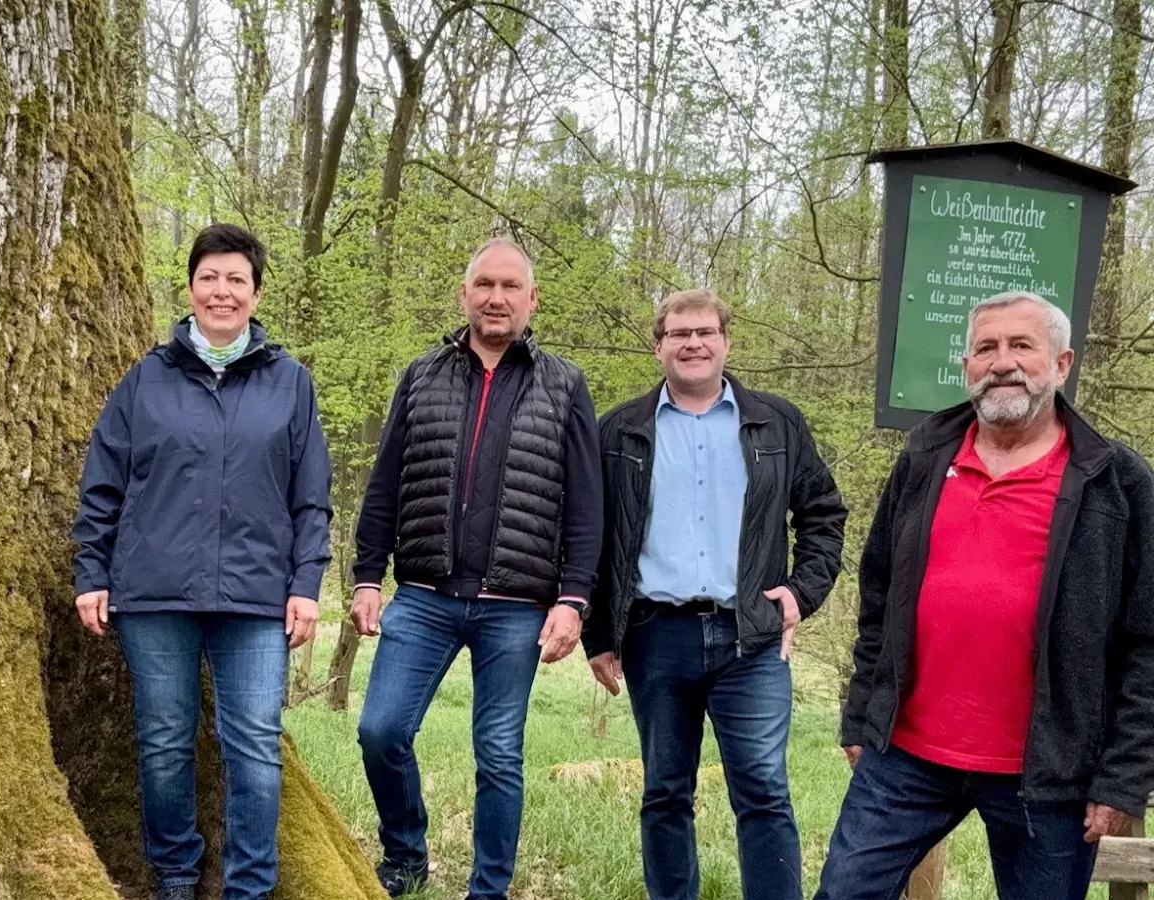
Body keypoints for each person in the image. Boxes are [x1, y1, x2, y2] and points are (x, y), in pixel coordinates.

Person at [818, 291, 1154, 900]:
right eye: (985, 348)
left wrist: (1123, 775)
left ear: (1061, 363)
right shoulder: (923, 456)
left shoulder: (1116, 481)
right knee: (843, 891)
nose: (1002, 362)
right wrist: (863, 711)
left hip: (1048, 773)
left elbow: (1148, 640)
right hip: (907, 754)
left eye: (1022, 345)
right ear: (967, 365)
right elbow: (879, 595)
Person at [71, 224, 333, 900]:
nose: (222, 291)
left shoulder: (290, 384)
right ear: (190, 287)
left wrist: (306, 585)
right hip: (155, 595)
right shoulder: (146, 380)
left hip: (256, 600)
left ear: (255, 293)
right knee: (163, 742)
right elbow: (103, 484)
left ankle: (249, 885)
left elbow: (311, 498)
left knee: (253, 746)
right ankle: (177, 875)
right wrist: (91, 572)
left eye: (236, 279)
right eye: (209, 277)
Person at [349, 237, 602, 900]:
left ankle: (488, 889)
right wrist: (368, 576)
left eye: (510, 287)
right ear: (465, 295)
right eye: (484, 284)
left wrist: (573, 599)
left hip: (516, 607)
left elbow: (586, 502)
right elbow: (385, 485)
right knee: (380, 730)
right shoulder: (422, 374)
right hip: (425, 596)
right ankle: (405, 854)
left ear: (532, 300)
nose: (496, 298)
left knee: (498, 755)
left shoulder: (565, 383)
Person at [583, 288, 846, 900]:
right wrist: (599, 634)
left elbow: (824, 516)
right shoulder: (619, 430)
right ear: (659, 346)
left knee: (761, 789)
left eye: (705, 332)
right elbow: (590, 534)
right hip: (655, 636)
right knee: (665, 790)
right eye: (679, 333)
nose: (693, 343)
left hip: (749, 636)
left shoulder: (777, 422)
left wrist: (800, 594)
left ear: (727, 341)